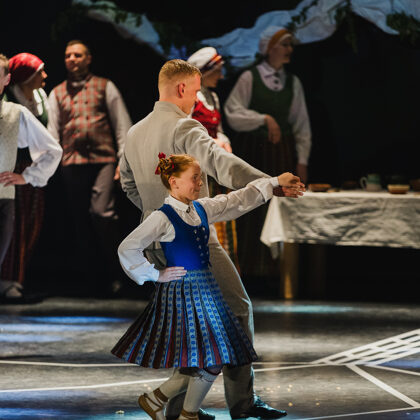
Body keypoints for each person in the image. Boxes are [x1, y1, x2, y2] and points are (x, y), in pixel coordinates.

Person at [119, 59, 303, 420]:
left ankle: (177, 407)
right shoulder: (184, 126)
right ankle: (241, 402)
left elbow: (128, 185)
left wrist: (159, 218)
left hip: (157, 244)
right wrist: (270, 182)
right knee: (236, 309)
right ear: (182, 88)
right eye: (196, 90)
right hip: (190, 240)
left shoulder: (135, 132)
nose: (197, 98)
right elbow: (221, 163)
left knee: (190, 319)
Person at [223, 26, 312, 282]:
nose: (289, 49)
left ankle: (279, 274)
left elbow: (301, 124)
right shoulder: (250, 77)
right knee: (252, 204)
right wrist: (262, 119)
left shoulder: (292, 82)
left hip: (280, 153)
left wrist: (302, 160)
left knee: (278, 205)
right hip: (254, 152)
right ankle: (249, 272)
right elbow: (233, 112)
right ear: (270, 48)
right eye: (284, 44)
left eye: (290, 45)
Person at [48, 40, 132, 295]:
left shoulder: (105, 86)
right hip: (72, 163)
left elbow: (122, 125)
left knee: (101, 214)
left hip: (102, 160)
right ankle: (93, 279)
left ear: (88, 58)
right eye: (68, 55)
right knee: (80, 221)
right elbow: (52, 132)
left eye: (77, 55)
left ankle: (119, 272)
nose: (72, 59)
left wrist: (124, 160)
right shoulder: (57, 92)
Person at [0, 53, 62, 302]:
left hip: (7, 193)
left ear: (7, 79)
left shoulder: (17, 112)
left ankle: (11, 282)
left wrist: (28, 176)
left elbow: (52, 148)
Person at [187, 47, 240, 272]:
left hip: (215, 169)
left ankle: (224, 274)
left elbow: (218, 131)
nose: (221, 75)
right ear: (205, 72)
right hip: (198, 169)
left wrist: (224, 142)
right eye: (217, 70)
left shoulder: (213, 97)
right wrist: (213, 143)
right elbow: (186, 135)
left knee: (221, 220)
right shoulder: (190, 98)